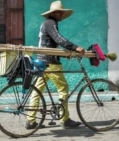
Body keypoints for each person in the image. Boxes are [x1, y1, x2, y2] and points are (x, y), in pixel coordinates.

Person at [26, 0, 85, 129]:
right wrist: (75, 48)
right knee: (63, 89)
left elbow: (50, 42)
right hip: (50, 63)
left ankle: (31, 121)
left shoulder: (46, 24)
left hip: (41, 61)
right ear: (54, 13)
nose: (61, 14)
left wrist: (64, 53)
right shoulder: (50, 23)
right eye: (59, 12)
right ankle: (65, 119)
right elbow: (59, 39)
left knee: (37, 91)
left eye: (62, 12)